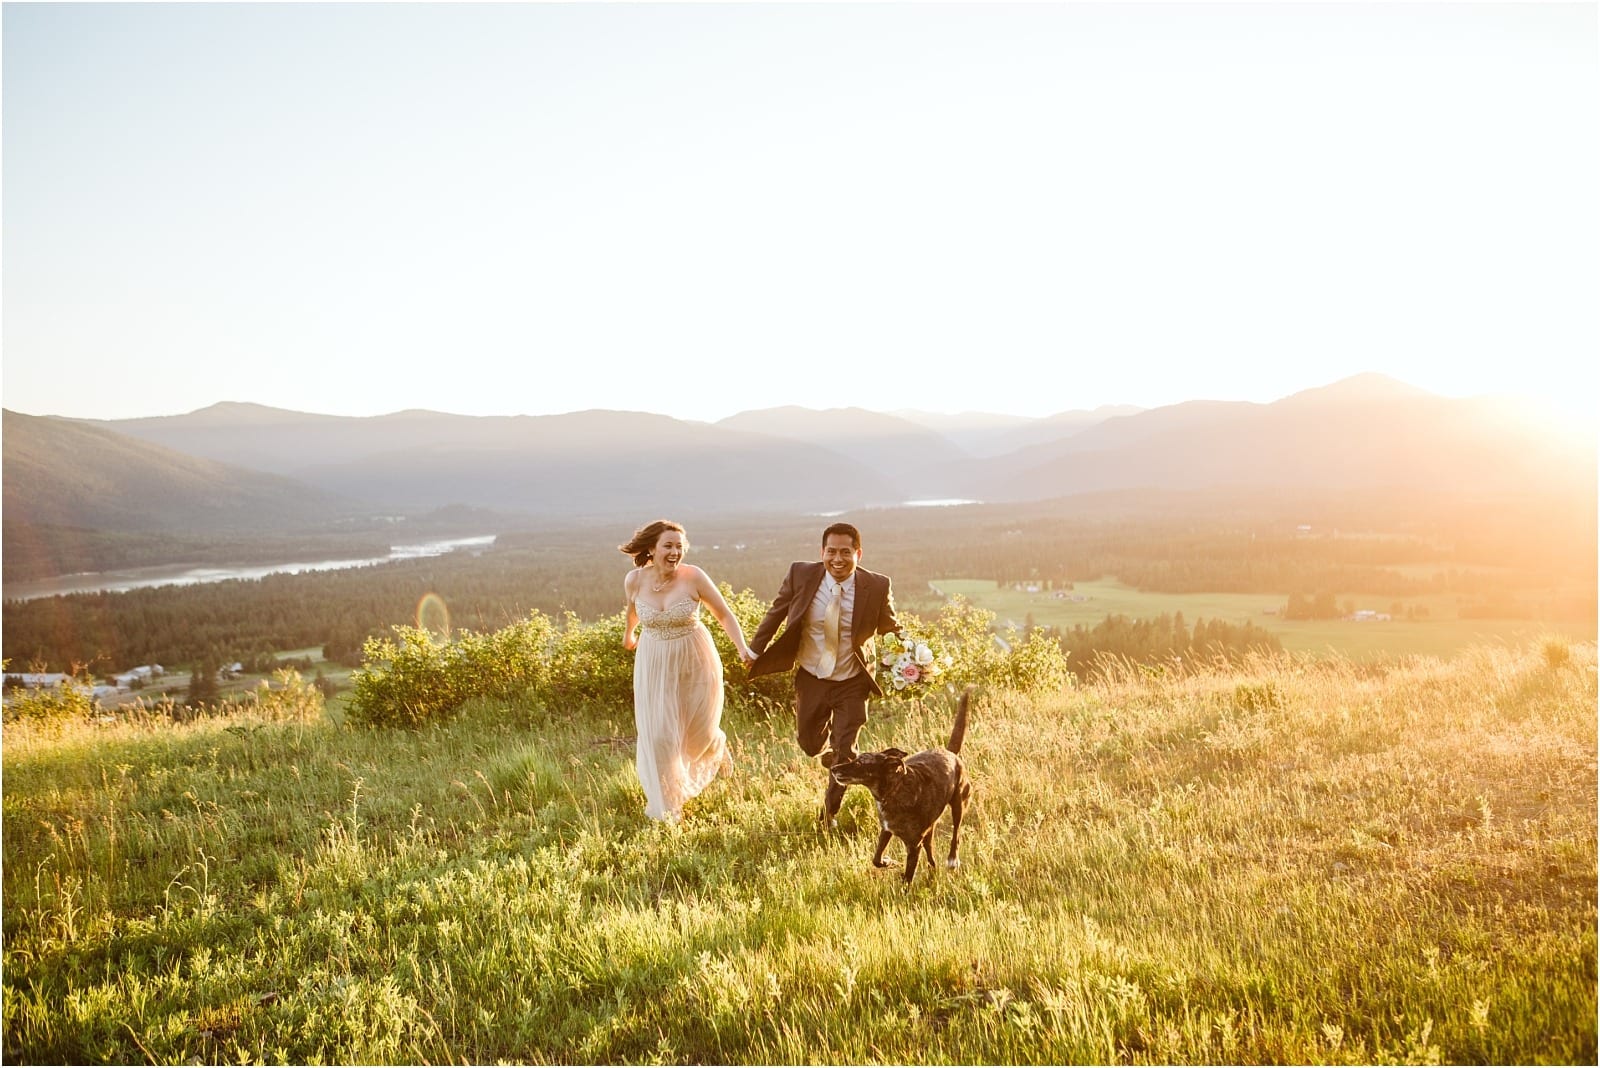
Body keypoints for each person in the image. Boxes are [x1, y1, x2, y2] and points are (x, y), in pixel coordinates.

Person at [748, 522, 899, 827]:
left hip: (853, 681)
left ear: (858, 553)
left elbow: (891, 627)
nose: (838, 559)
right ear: (822, 552)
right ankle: (828, 747)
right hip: (812, 677)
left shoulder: (877, 585)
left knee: (845, 753)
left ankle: (828, 814)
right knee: (809, 744)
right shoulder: (801, 575)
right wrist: (754, 650)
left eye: (846, 552)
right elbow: (776, 612)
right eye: (831, 551)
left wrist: (911, 656)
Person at [621, 519, 755, 822]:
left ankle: (716, 745)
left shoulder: (694, 576)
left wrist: (741, 648)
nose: (675, 552)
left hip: (695, 658)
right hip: (653, 661)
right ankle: (668, 806)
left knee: (699, 732)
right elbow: (632, 611)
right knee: (659, 736)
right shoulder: (634, 580)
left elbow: (723, 614)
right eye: (668, 545)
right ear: (651, 549)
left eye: (680, 546)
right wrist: (628, 635)